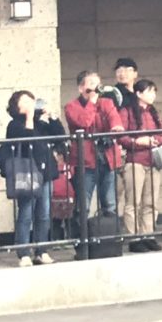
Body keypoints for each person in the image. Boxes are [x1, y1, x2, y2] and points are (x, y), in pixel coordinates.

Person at [0, 91, 64, 267]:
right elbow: (26, 141)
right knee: (26, 212)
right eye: (24, 102)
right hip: (26, 172)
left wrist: (52, 116)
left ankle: (41, 250)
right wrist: (28, 118)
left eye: (31, 101)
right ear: (16, 107)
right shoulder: (14, 125)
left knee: (44, 213)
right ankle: (24, 253)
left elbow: (60, 135)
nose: (30, 104)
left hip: (45, 171)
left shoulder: (40, 123)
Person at [63, 70, 121, 239]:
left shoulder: (107, 102)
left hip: (107, 158)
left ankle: (109, 240)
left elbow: (114, 118)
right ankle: (82, 242)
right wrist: (92, 102)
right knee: (84, 205)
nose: (96, 87)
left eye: (97, 83)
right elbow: (83, 122)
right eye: (91, 84)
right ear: (81, 88)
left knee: (109, 203)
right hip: (85, 162)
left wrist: (116, 127)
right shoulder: (71, 107)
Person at [114, 78, 162, 251]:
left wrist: (153, 140)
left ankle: (148, 234)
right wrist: (139, 142)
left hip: (152, 161)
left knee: (151, 202)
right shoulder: (127, 112)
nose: (153, 95)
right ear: (138, 93)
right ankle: (133, 237)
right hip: (134, 161)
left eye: (154, 91)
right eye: (149, 91)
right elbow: (121, 137)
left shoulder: (153, 112)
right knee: (133, 202)